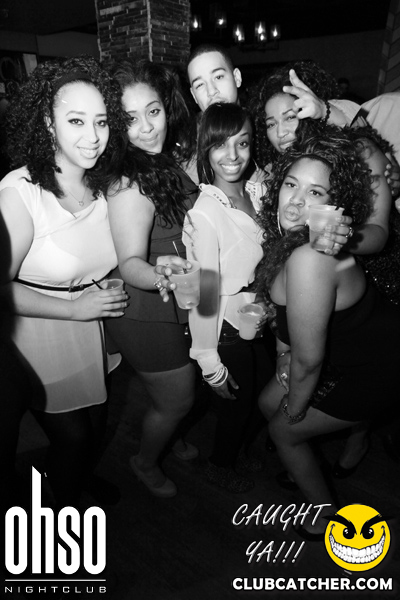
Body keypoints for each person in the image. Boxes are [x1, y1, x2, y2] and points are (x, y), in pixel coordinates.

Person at [256, 127, 400, 536]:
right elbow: (288, 321)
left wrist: (294, 413)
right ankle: (309, 455)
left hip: (377, 368)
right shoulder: (289, 240)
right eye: (291, 184)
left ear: (334, 208)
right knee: (268, 402)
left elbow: (308, 359)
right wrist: (282, 356)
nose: (297, 200)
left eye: (315, 192)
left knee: (281, 429)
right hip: (354, 351)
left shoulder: (311, 257)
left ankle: (323, 516)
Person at [0, 56, 128, 507]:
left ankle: (73, 481)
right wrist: (74, 308)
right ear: (47, 124)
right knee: (74, 436)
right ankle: (63, 510)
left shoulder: (106, 186)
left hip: (91, 332)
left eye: (101, 122)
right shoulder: (21, 193)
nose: (92, 136)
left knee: (95, 424)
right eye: (76, 121)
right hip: (37, 336)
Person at [104, 59, 198, 498]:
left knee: (172, 393)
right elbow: (129, 263)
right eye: (130, 119)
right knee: (179, 397)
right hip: (144, 308)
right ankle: (144, 462)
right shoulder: (129, 182)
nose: (146, 128)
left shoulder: (162, 162)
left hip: (172, 295)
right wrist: (160, 272)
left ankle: (169, 431)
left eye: (153, 111)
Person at [182, 103, 274, 493]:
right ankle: (221, 463)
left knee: (265, 397)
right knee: (238, 405)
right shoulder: (205, 213)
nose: (232, 155)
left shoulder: (258, 192)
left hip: (257, 316)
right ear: (206, 148)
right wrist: (208, 360)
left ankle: (237, 449)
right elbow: (203, 291)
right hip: (225, 327)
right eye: (221, 144)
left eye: (243, 143)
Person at [249, 61, 397, 257]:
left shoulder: (361, 151)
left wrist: (344, 236)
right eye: (271, 124)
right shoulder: (277, 170)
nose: (280, 132)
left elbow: (378, 231)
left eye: (290, 117)